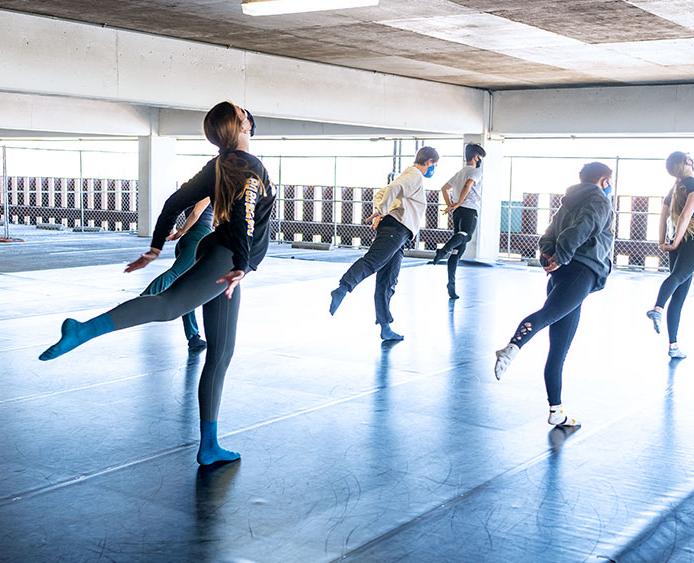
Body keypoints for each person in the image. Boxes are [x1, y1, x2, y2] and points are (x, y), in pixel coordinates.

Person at [39, 101, 276, 466]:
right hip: (228, 261)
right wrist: (243, 265)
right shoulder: (250, 167)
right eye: (245, 111)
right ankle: (82, 329)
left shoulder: (218, 165)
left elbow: (173, 202)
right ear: (241, 124)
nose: (249, 113)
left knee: (221, 352)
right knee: (169, 305)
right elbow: (245, 216)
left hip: (224, 257)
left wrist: (154, 247)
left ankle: (209, 446)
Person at [493, 162, 614, 429]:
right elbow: (584, 227)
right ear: (604, 180)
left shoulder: (568, 203)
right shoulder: (600, 202)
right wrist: (561, 255)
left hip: (563, 274)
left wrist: (549, 256)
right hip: (581, 272)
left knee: (559, 349)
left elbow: (548, 235)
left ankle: (556, 411)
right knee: (546, 318)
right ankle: (512, 347)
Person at [328, 147, 439, 341]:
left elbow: (384, 191)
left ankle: (385, 326)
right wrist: (380, 211)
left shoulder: (409, 175)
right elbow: (393, 189)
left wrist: (381, 209)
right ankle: (343, 288)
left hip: (400, 234)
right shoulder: (414, 175)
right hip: (395, 230)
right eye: (434, 165)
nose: (434, 169)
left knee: (387, 280)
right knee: (373, 262)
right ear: (429, 161)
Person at [645, 152, 694, 359]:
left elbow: (663, 216)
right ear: (688, 163)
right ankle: (657, 308)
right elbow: (686, 214)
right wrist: (675, 241)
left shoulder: (673, 190)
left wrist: (663, 241)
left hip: (678, 238)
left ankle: (673, 346)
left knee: (679, 290)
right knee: (677, 279)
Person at [140, 197, 213, 351]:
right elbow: (195, 214)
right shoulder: (207, 192)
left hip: (189, 241)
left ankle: (194, 338)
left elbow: (175, 210)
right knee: (175, 275)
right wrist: (181, 231)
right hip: (198, 240)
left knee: (187, 288)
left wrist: (179, 231)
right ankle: (141, 300)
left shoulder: (194, 191)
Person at [430, 143, 486, 299]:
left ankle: (451, 285)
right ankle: (443, 250)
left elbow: (443, 188)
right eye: (480, 156)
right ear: (476, 157)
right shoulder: (476, 171)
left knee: (458, 250)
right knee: (466, 236)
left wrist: (451, 205)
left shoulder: (460, 172)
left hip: (458, 212)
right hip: (468, 210)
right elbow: (469, 185)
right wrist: (460, 202)